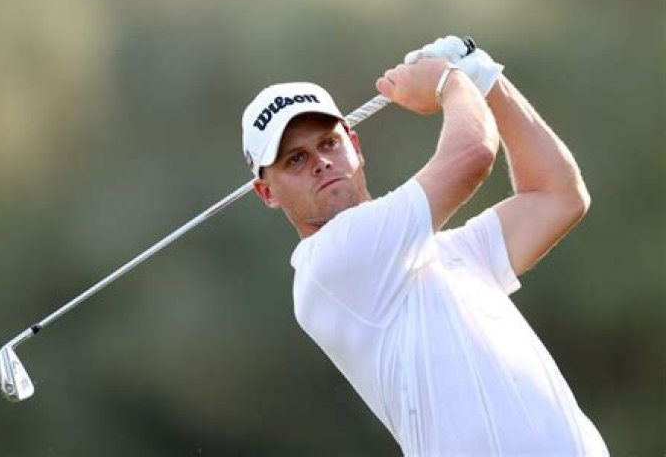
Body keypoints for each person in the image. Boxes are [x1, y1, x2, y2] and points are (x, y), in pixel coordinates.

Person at [240, 36, 608, 456]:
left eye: (328, 143)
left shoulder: (449, 254)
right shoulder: (328, 263)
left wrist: (489, 82)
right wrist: (450, 82)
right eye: (295, 159)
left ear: (354, 146)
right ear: (267, 192)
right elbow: (473, 154)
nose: (321, 162)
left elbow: (558, 196)